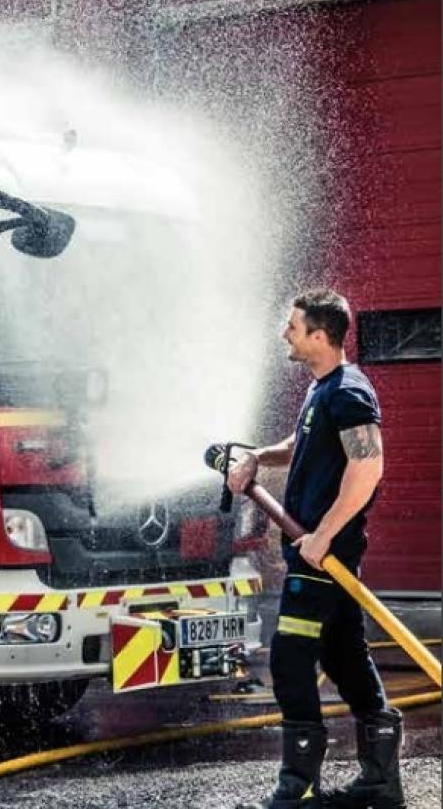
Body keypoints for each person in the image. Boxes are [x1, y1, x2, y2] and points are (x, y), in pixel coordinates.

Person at [228, 290, 403, 809]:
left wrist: (323, 535)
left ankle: (298, 785)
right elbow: (299, 444)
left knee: (289, 659)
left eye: (294, 326)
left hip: (323, 558)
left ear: (320, 336)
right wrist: (256, 457)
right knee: (343, 656)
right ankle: (380, 783)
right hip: (316, 555)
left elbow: (368, 465)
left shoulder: (349, 391)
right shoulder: (323, 389)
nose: (285, 333)